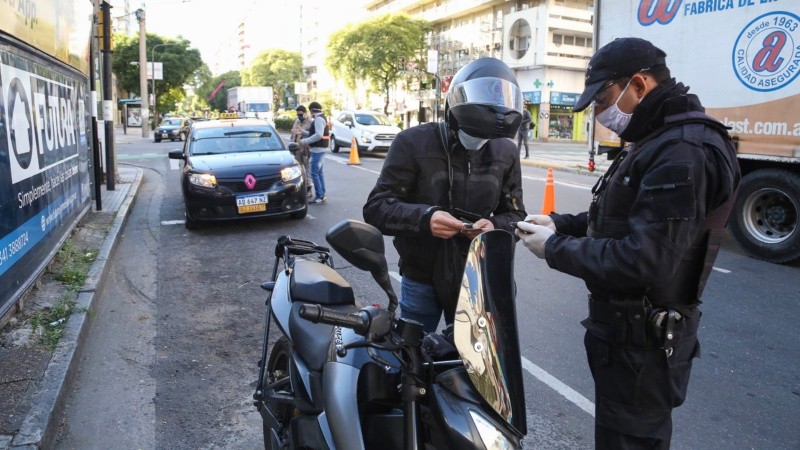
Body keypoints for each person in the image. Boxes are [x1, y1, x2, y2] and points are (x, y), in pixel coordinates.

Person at [515, 37, 741, 449]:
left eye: (603, 102)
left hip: (644, 347)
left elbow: (645, 259)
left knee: (629, 441)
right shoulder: (659, 139)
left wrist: (554, 248)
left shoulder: (682, 150)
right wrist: (559, 222)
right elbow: (620, 220)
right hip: (625, 340)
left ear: (638, 85)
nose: (601, 116)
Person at [363, 57, 528, 332]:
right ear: (454, 116)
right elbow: (377, 208)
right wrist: (425, 219)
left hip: (476, 276)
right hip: (421, 274)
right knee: (411, 359)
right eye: (474, 133)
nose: (480, 141)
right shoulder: (412, 142)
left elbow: (515, 213)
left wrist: (495, 226)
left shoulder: (506, 151)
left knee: (472, 364)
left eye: (487, 137)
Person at [299, 101, 329, 204]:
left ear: (312, 110)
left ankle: (319, 197)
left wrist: (304, 141)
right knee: (319, 173)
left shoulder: (318, 119)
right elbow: (314, 133)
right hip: (320, 149)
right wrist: (303, 132)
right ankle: (322, 195)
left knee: (314, 173)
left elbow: (318, 135)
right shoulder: (321, 118)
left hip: (318, 149)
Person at [290, 105, 313, 197]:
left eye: (301, 114)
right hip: (296, 148)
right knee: (298, 170)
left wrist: (302, 132)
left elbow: (312, 135)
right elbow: (293, 132)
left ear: (305, 113)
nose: (299, 116)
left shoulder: (310, 122)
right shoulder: (297, 121)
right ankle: (299, 189)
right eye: (297, 114)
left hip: (305, 149)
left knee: (306, 170)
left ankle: (309, 189)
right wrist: (293, 133)